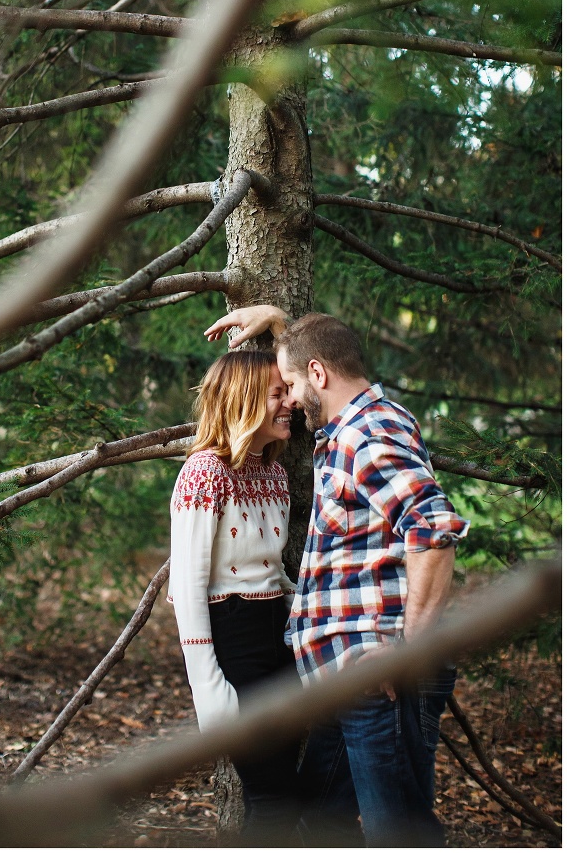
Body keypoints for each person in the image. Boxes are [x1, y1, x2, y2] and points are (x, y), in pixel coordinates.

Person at [205, 305, 470, 848]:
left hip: (377, 677)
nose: (292, 398)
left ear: (319, 375)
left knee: (400, 834)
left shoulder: (364, 436)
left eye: (293, 384)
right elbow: (317, 355)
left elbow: (433, 531)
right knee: (313, 825)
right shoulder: (366, 423)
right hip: (345, 679)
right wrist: (282, 323)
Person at [168, 349, 303, 844]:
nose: (291, 402)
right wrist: (209, 691)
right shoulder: (204, 472)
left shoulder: (273, 472)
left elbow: (270, 569)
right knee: (273, 798)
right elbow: (186, 585)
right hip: (234, 637)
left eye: (288, 391)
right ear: (245, 399)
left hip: (279, 633)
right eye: (277, 393)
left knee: (287, 788)